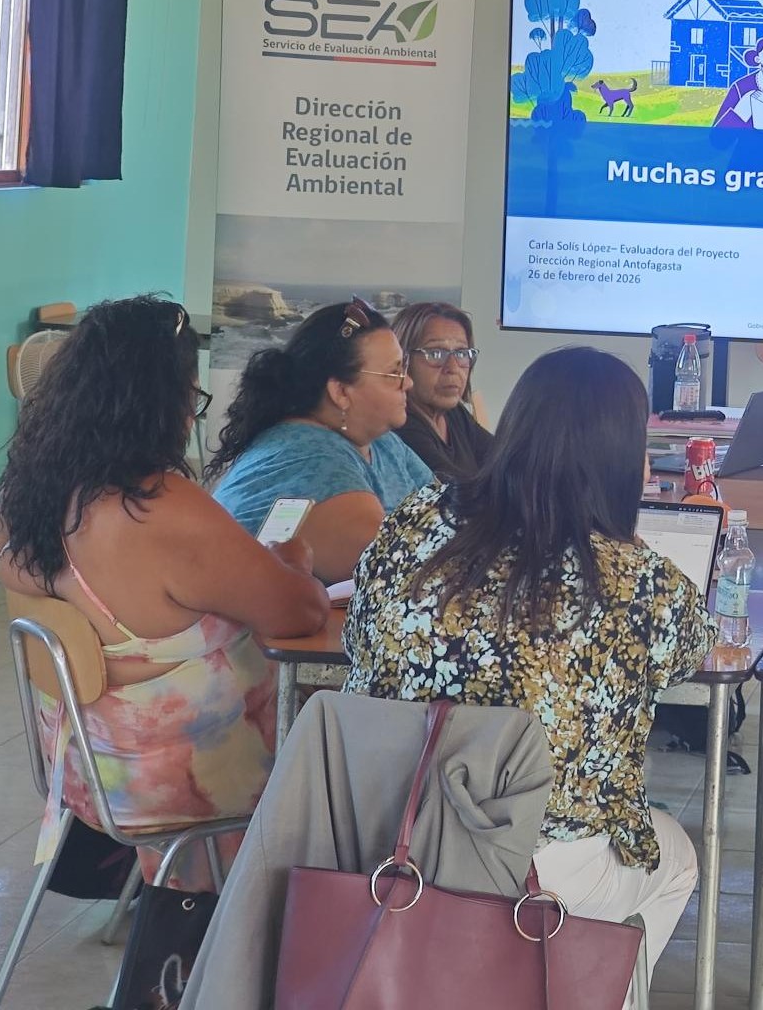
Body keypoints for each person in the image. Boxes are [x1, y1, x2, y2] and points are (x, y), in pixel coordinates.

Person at [343, 346, 715, 967]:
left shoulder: (415, 519)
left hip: (387, 837)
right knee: (675, 858)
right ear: (626, 458)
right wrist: (625, 540)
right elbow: (690, 654)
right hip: (532, 865)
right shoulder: (637, 580)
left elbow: (357, 641)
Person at [0, 296, 330, 886]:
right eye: (192, 397)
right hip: (191, 786)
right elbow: (300, 613)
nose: (192, 415)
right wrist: (292, 564)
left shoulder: (26, 493)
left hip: (88, 775)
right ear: (160, 402)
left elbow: (7, 561)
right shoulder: (159, 509)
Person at [207, 299, 432, 584]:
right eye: (393, 373)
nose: (408, 382)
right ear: (340, 392)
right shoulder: (308, 458)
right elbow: (396, 566)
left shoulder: (384, 444)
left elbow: (447, 516)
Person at [389, 301, 495, 480]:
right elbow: (454, 488)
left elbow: (503, 458)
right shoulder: (401, 425)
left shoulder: (454, 413)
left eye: (462, 353)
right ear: (404, 360)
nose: (453, 367)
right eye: (435, 354)